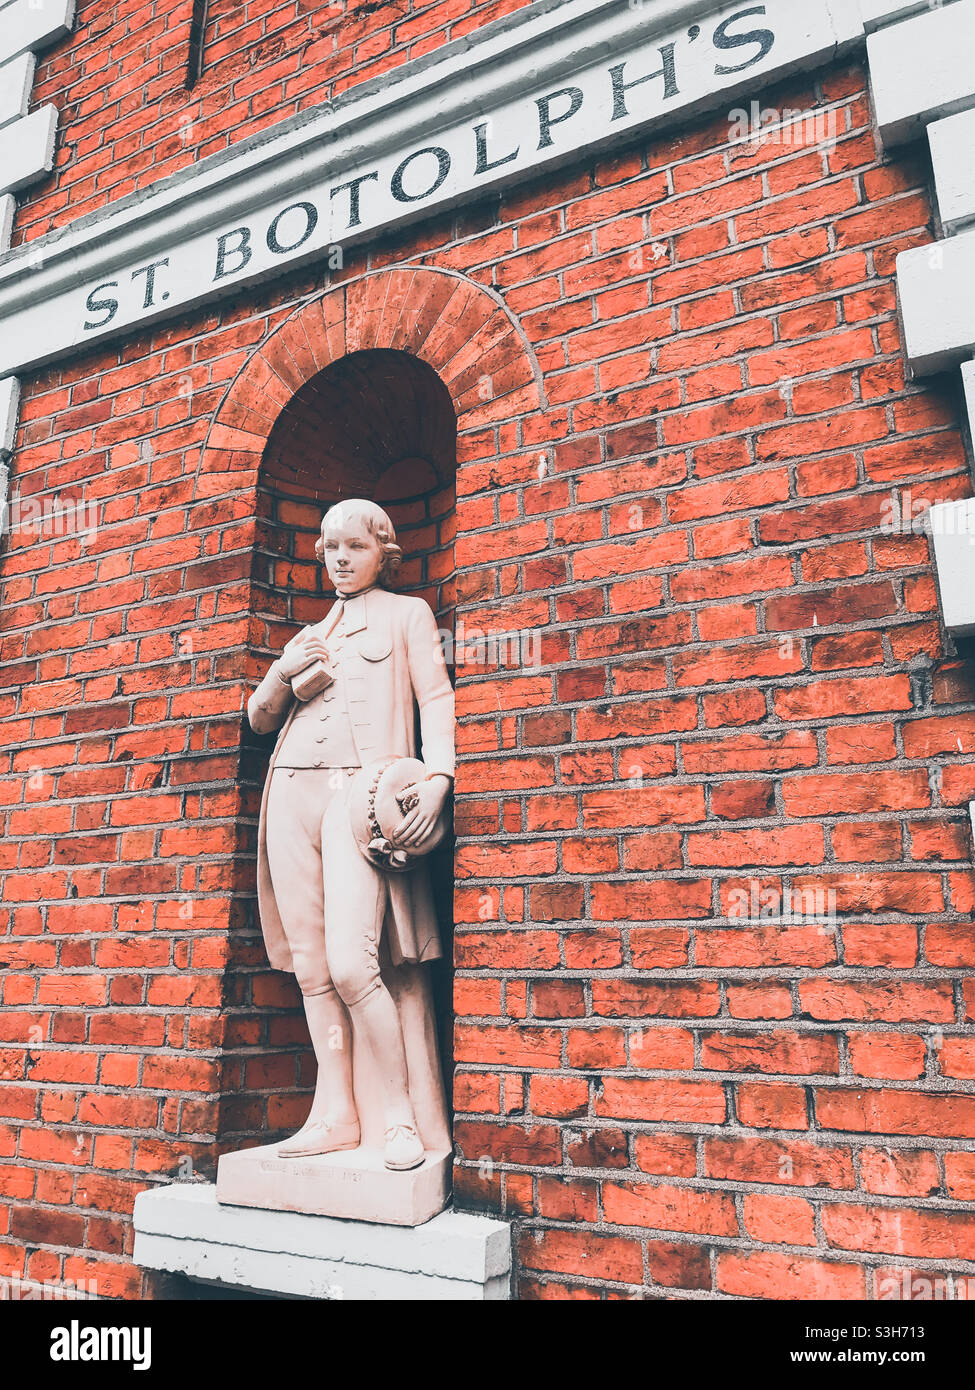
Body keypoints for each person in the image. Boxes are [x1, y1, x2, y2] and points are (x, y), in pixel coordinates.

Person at [246, 498, 454, 1171]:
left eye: (354, 547)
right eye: (330, 547)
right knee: (311, 968)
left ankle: (397, 1118)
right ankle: (335, 1112)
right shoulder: (312, 631)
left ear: (382, 552)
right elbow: (258, 718)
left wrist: (439, 778)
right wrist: (283, 669)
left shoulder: (405, 615)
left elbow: (437, 697)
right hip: (292, 792)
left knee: (352, 963)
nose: (339, 558)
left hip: (357, 798)